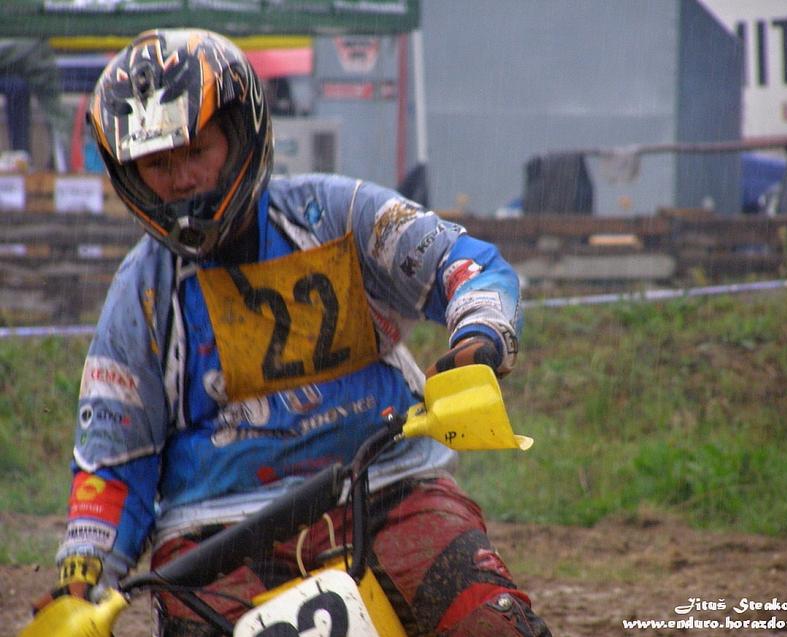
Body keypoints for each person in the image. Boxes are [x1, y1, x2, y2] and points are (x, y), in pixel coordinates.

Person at [34, 29, 551, 637]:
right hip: (216, 538)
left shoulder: (336, 216)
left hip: (388, 488)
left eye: (195, 151)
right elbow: (113, 461)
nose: (180, 180)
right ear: (131, 175)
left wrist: (479, 337)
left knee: (492, 623)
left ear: (241, 132)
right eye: (158, 164)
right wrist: (81, 579)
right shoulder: (140, 296)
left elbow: (461, 263)